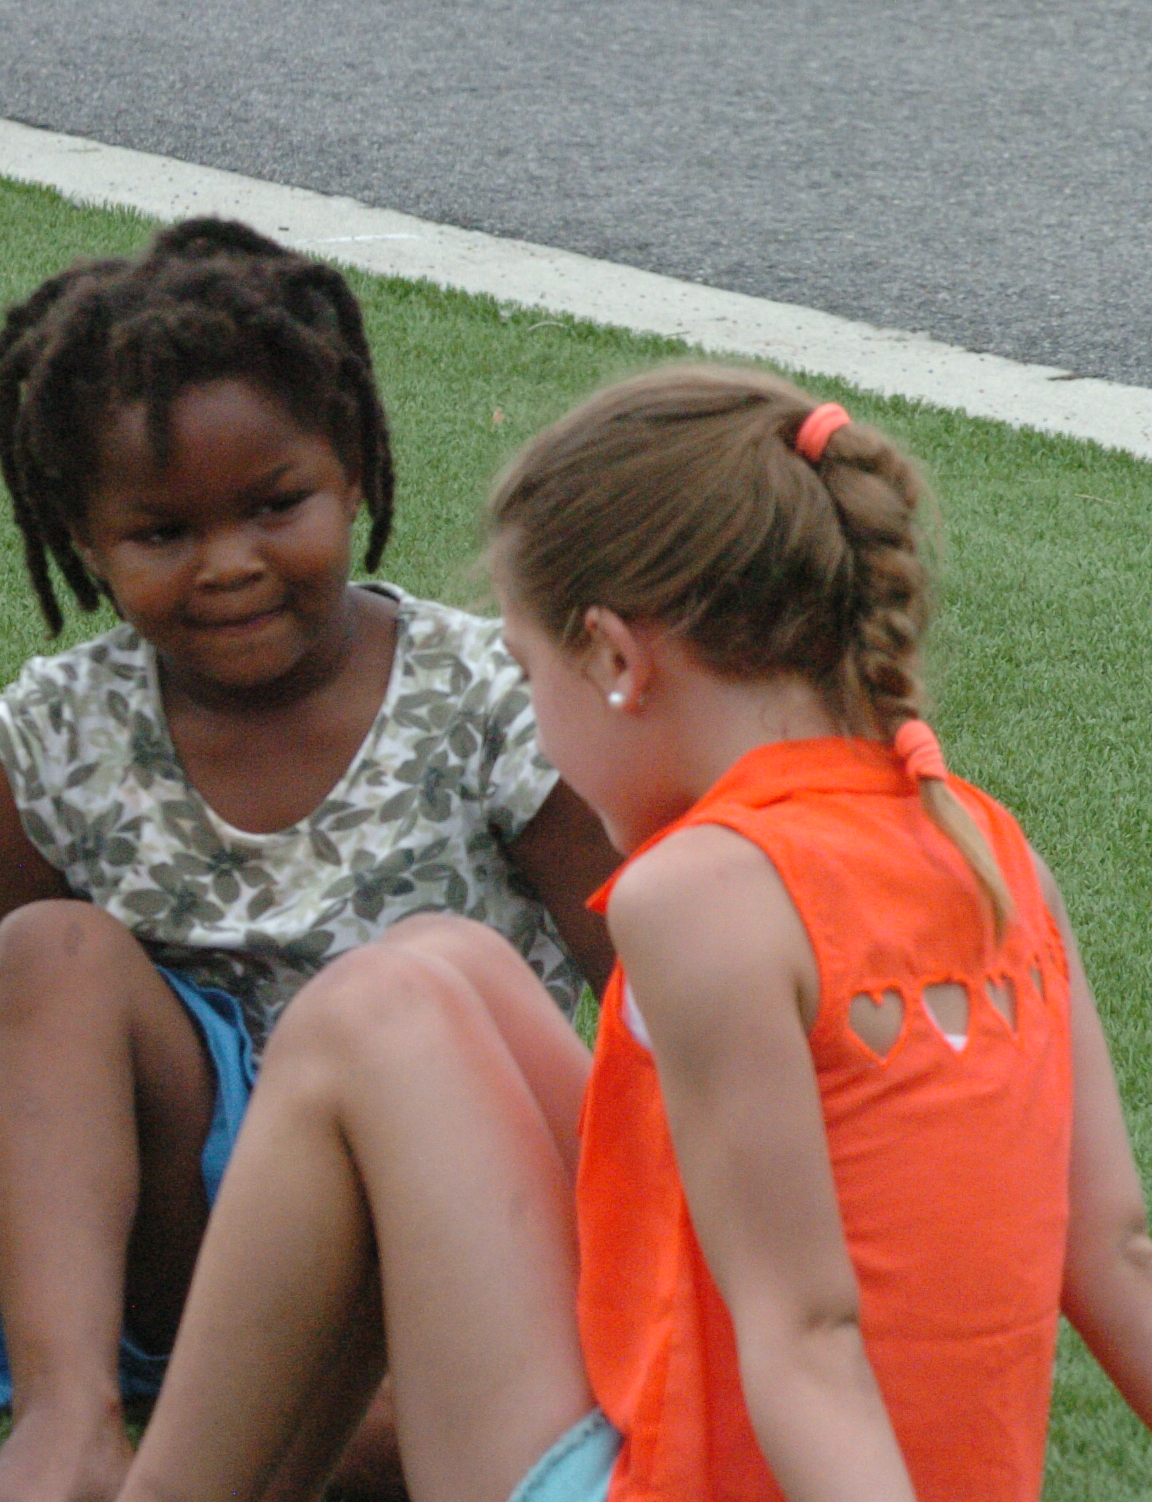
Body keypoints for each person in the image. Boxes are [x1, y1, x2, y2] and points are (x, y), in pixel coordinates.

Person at [114, 365, 1152, 1502]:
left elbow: (808, 1335)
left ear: (615, 659)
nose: (537, 724)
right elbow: (1113, 1254)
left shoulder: (700, 894)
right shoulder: (990, 850)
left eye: (528, 675)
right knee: (449, 965)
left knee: (370, 1012)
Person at [0, 219, 620, 1502]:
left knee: (394, 1447)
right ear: (83, 538)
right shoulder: (47, 746)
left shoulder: (495, 703)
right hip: (186, 1256)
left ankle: (327, 1417)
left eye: (275, 506)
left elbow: (643, 1007)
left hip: (434, 1245)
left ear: (353, 475)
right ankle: (68, 1421)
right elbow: (8, 1043)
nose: (228, 564)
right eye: (161, 532)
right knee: (46, 952)